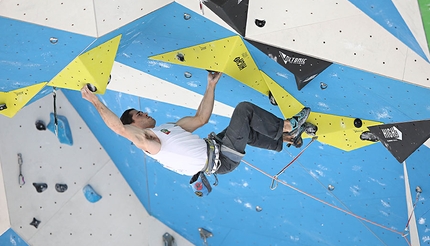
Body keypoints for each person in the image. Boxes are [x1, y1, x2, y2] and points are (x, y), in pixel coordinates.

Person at [81, 72, 315, 196]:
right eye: (138, 114)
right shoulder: (148, 142)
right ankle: (287, 126)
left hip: (218, 147)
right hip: (221, 159)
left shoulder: (168, 128)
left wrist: (210, 86)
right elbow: (119, 128)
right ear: (134, 125)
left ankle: (287, 139)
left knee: (248, 131)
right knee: (245, 110)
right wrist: (94, 100)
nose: (143, 112)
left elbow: (201, 118)